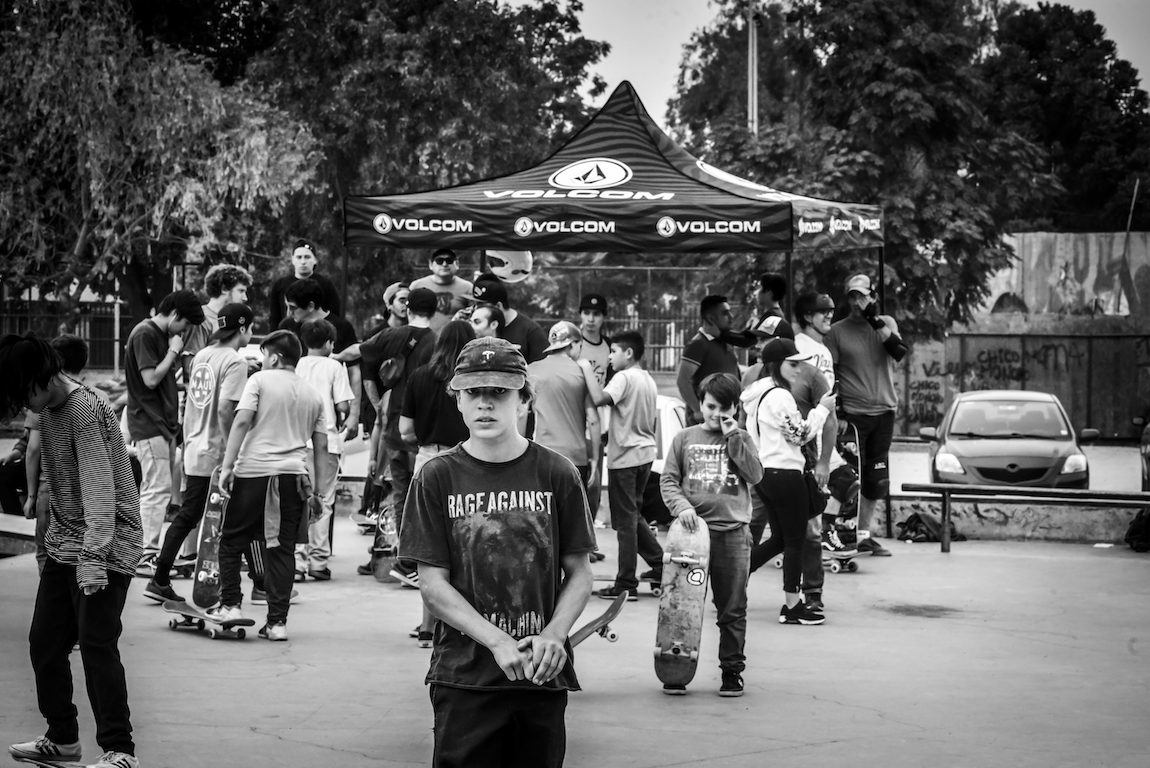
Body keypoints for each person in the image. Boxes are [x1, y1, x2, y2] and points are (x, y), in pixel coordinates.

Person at [399, 336, 595, 768]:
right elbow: (432, 586)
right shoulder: (436, 477)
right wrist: (497, 641)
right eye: (474, 393)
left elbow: (580, 573)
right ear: (458, 401)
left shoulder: (557, 473)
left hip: (540, 676)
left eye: (499, 393)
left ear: (523, 399)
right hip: (465, 678)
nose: (485, 404)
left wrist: (554, 635)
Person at [1, 333, 143, 768]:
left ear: (39, 379)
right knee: (44, 644)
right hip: (66, 544)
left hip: (104, 546)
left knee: (98, 645)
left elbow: (100, 490)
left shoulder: (82, 410)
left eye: (22, 393)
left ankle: (120, 751)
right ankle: (63, 739)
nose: (23, 406)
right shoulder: (51, 411)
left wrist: (95, 559)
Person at [144, 304, 264, 603]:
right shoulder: (235, 362)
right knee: (243, 518)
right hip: (216, 454)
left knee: (190, 515)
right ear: (244, 328)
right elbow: (226, 409)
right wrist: (231, 454)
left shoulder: (203, 355)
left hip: (196, 447)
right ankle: (260, 584)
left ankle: (160, 578)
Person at [215, 330, 330, 641]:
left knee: (231, 540)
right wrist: (318, 493)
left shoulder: (259, 382)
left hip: (253, 474)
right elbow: (321, 446)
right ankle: (277, 623)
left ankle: (231, 605)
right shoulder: (312, 394)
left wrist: (228, 466)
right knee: (282, 551)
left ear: (275, 357)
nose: (263, 361)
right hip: (293, 479)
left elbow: (240, 422)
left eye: (265, 355)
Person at [660, 373, 762, 696]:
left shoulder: (742, 438)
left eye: (724, 408)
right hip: (690, 537)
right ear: (701, 404)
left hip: (732, 535)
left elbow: (755, 475)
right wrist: (682, 508)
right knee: (680, 606)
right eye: (710, 406)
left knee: (732, 608)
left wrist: (735, 438)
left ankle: (732, 671)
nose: (716, 414)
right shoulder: (685, 438)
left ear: (735, 408)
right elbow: (669, 481)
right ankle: (674, 667)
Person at [741, 320, 852, 614]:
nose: (799, 369)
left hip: (765, 473)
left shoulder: (758, 392)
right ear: (777, 365)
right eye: (792, 364)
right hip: (784, 473)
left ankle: (734, 579)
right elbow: (801, 434)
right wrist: (822, 410)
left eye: (800, 363)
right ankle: (792, 605)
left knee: (779, 539)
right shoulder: (780, 395)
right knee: (794, 542)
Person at [399, 320, 476, 647]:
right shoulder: (470, 382)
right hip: (467, 464)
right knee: (466, 544)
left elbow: (404, 430)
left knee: (431, 550)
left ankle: (427, 627)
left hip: (427, 461)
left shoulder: (419, 376)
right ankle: (465, 622)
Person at [357, 287, 438, 586]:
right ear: (435, 309)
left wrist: (330, 354)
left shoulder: (391, 336)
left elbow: (359, 352)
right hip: (421, 431)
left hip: (393, 428)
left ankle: (404, 558)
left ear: (408, 308)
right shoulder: (436, 342)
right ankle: (415, 562)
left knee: (402, 493)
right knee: (425, 497)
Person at [823, 275, 908, 557]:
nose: (856, 302)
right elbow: (831, 373)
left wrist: (874, 319)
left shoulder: (886, 324)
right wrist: (841, 411)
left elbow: (898, 351)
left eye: (861, 296)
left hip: (885, 410)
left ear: (873, 297)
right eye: (851, 296)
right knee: (850, 477)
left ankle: (864, 534)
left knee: (877, 478)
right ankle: (842, 533)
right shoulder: (836, 331)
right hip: (855, 415)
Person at [125, 290, 205, 575]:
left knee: (159, 488)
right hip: (149, 423)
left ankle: (147, 551)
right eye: (184, 325)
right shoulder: (145, 334)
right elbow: (149, 379)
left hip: (163, 424)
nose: (184, 333)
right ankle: (145, 553)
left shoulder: (158, 335)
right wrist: (173, 351)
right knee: (156, 490)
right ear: (175, 315)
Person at [581, 331, 664, 600]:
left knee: (625, 522)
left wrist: (585, 370)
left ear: (629, 354)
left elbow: (599, 399)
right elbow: (633, 417)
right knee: (633, 514)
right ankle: (661, 564)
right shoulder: (647, 379)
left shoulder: (624, 377)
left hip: (625, 459)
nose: (609, 356)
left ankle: (626, 582)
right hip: (644, 454)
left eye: (614, 351)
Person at [294, 319, 355, 581]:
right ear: (330, 343)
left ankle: (297, 560)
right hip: (327, 442)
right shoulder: (333, 366)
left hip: (296, 441)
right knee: (324, 498)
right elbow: (343, 405)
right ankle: (318, 561)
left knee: (298, 500)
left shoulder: (295, 364)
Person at [528, 321, 602, 508]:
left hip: (541, 456)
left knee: (545, 518)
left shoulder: (531, 370)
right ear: (572, 344)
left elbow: (521, 414)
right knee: (573, 521)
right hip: (575, 459)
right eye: (580, 346)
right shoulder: (582, 372)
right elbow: (593, 420)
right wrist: (594, 460)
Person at [180, 263, 253, 376]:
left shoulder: (232, 318)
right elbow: (191, 367)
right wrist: (235, 366)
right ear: (224, 289)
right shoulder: (201, 320)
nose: (245, 297)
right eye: (241, 291)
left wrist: (241, 361)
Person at [677, 295, 739, 425]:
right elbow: (683, 380)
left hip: (727, 417)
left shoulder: (726, 343)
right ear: (710, 318)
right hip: (706, 421)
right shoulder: (698, 344)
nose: (731, 317)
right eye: (725, 313)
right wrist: (697, 410)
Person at [578, 293, 610, 525]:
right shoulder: (575, 344)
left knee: (594, 482)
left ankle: (589, 541)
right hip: (573, 418)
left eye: (596, 314)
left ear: (603, 318)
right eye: (587, 313)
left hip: (597, 420)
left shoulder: (609, 347)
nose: (591, 319)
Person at [466, 276, 548, 362]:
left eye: (481, 306)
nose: (475, 309)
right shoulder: (474, 329)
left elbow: (541, 367)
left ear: (498, 306)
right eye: (475, 305)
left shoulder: (530, 331)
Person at [268, 240, 341, 331]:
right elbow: (274, 317)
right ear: (292, 259)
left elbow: (334, 314)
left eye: (307, 257)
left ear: (315, 260)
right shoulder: (280, 285)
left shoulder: (326, 284)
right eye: (299, 257)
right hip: (289, 333)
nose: (303, 261)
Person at [409, 248, 474, 331]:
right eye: (439, 261)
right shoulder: (417, 286)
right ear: (430, 264)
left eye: (449, 260)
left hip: (454, 339)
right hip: (420, 338)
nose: (444, 264)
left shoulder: (467, 288)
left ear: (457, 263)